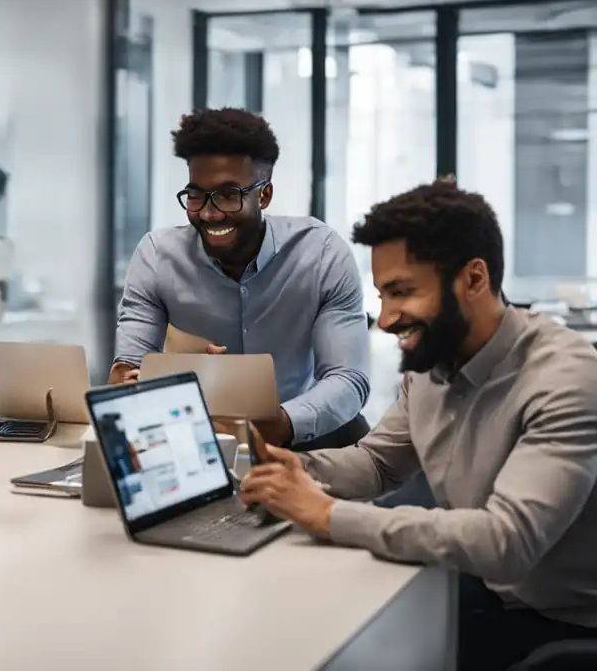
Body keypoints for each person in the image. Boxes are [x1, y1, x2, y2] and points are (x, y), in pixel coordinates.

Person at [240, 180, 597, 670]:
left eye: (403, 292)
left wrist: (326, 514)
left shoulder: (567, 377)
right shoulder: (433, 364)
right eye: (382, 294)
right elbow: (377, 463)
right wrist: (286, 468)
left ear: (474, 279)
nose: (385, 320)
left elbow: (506, 540)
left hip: (566, 626)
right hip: (485, 592)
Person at [110, 108, 371, 450]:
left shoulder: (320, 253)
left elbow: (348, 379)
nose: (208, 212)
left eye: (229, 195)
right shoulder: (157, 256)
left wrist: (280, 424)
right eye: (195, 195)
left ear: (263, 195)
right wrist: (133, 379)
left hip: (303, 433)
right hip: (198, 436)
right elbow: (129, 368)